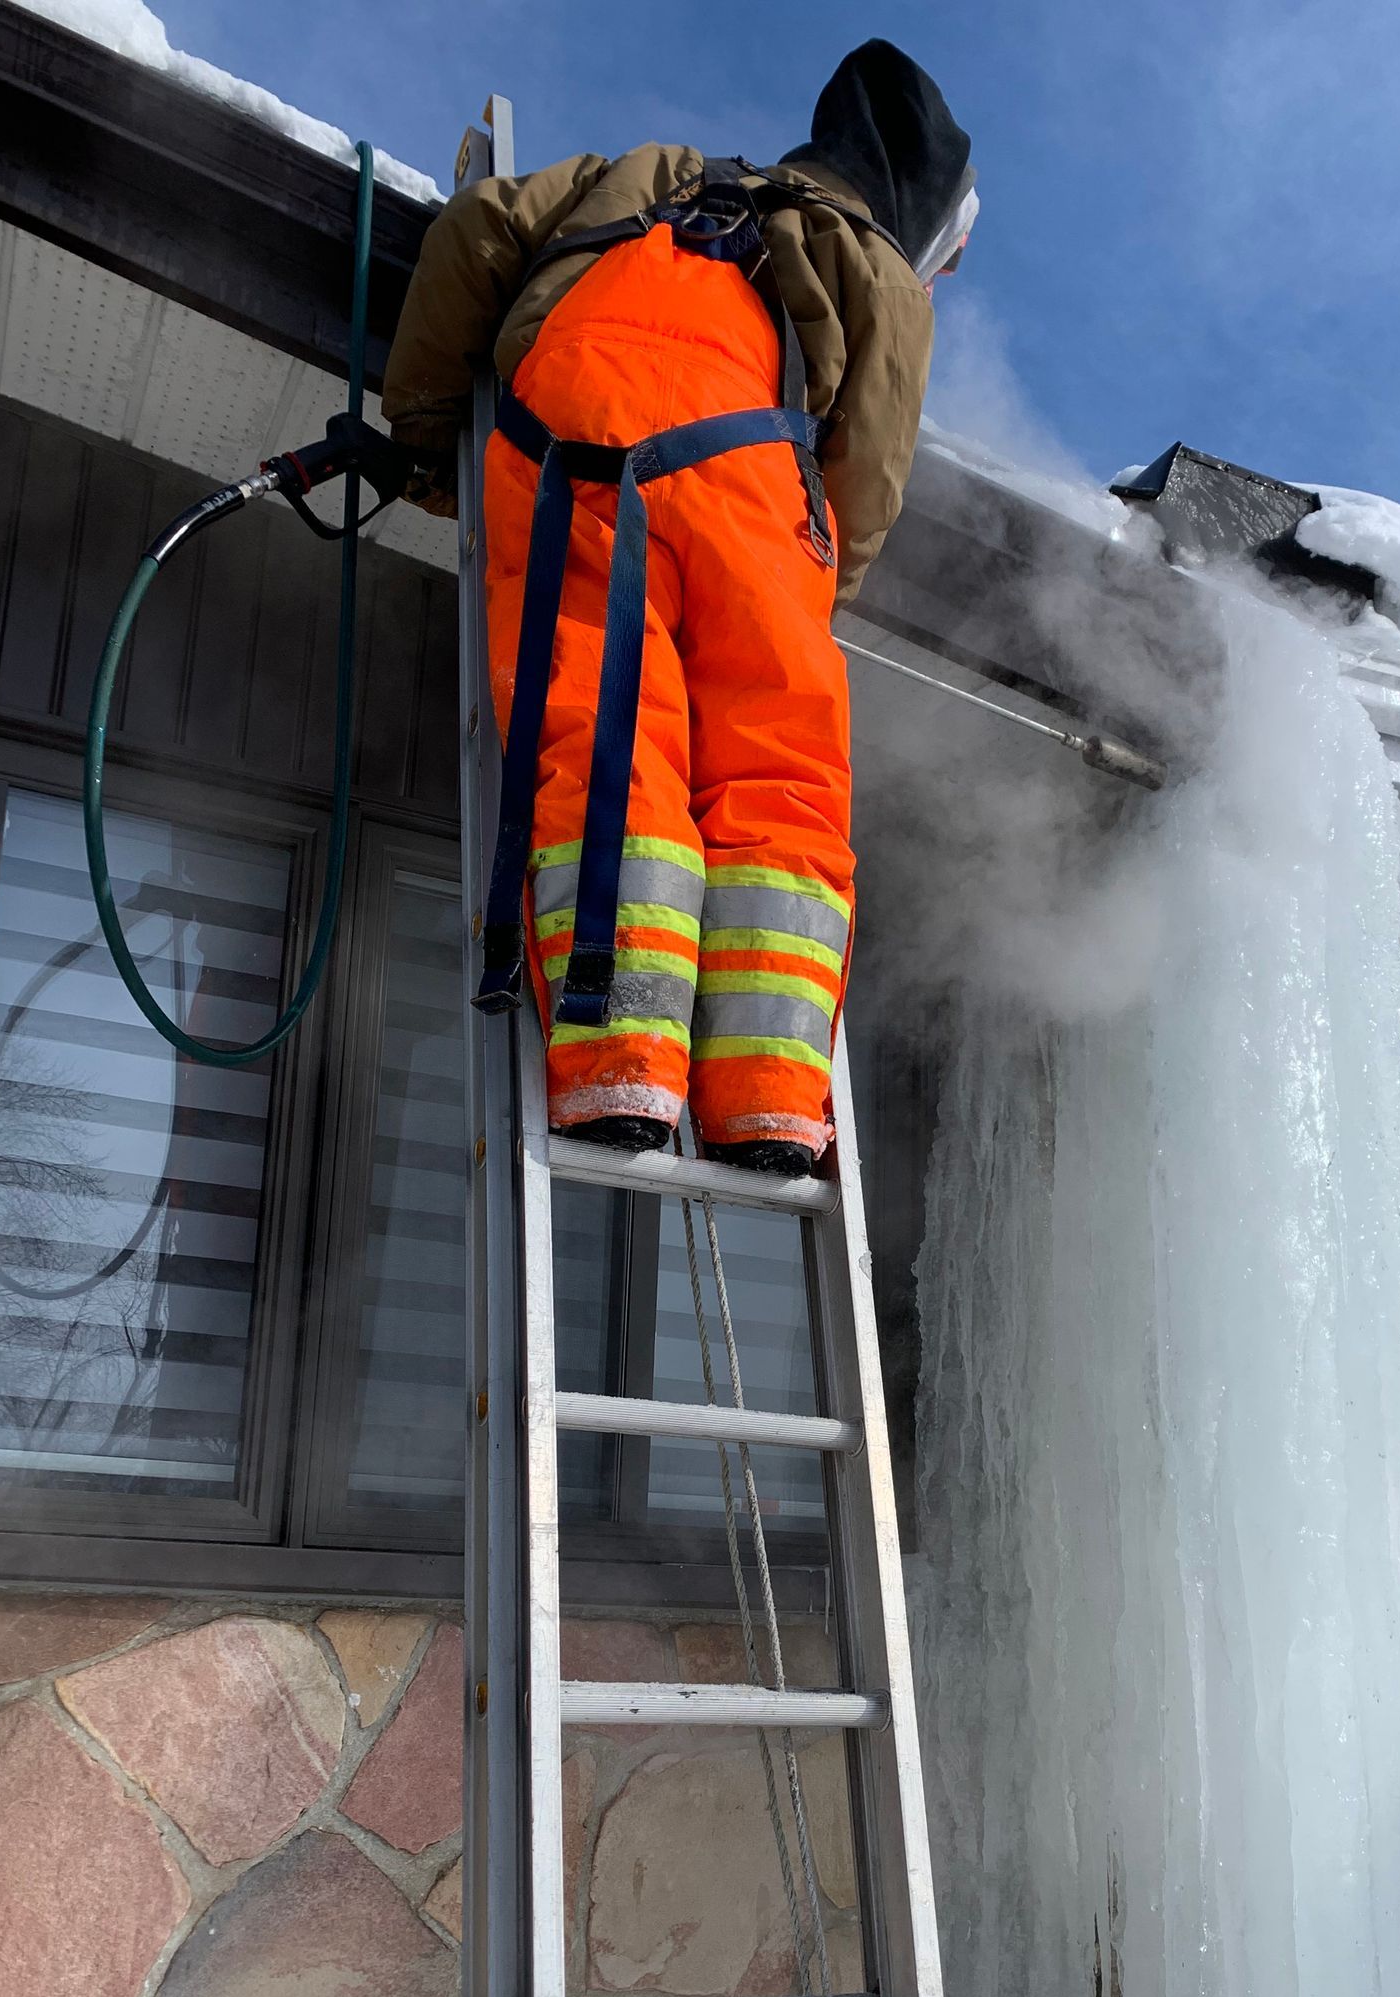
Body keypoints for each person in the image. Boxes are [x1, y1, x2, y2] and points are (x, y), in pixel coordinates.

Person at [382, 42, 976, 1173]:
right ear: (924, 209)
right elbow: (866, 480)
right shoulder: (877, 263)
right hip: (748, 473)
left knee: (603, 743)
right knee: (776, 772)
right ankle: (765, 1099)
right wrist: (805, 597)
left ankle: (618, 1061)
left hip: (565, 453)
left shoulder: (647, 173)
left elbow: (471, 239)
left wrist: (425, 450)